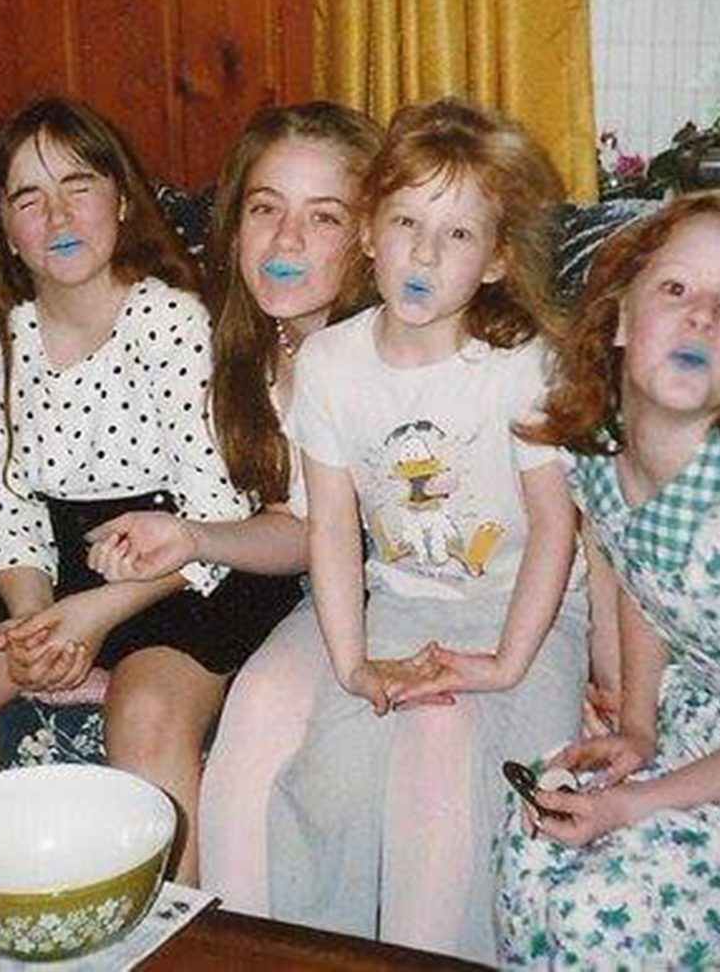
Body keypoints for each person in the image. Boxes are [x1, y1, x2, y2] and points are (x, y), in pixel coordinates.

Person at [0, 97, 300, 883]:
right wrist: (35, 618)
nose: (59, 215)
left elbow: (213, 512)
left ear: (120, 199)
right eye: (29, 198)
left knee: (145, 708)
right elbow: (3, 502)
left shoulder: (172, 320)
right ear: (3, 227)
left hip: (185, 567)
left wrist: (96, 616)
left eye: (79, 185)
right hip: (56, 564)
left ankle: (175, 931)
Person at [267, 97, 588, 963]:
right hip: (405, 599)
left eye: (457, 234)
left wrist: (508, 663)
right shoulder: (330, 364)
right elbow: (333, 530)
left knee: (518, 793)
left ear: (495, 260)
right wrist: (351, 664)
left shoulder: (521, 364)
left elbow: (555, 531)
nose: (424, 252)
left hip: (529, 608)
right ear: (369, 231)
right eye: (406, 221)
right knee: (331, 778)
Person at [496, 191, 720, 968]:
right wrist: (638, 727)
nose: (702, 317)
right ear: (621, 319)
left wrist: (640, 802)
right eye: (677, 288)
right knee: (532, 849)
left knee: (599, 913)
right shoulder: (596, 448)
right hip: (703, 722)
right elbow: (641, 574)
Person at [81, 102, 382, 911]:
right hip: (274, 585)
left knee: (263, 721)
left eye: (324, 218)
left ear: (369, 236)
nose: (286, 241)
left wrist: (193, 541)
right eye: (265, 209)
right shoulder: (231, 342)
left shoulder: (377, 352)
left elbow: (311, 532)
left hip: (377, 593)